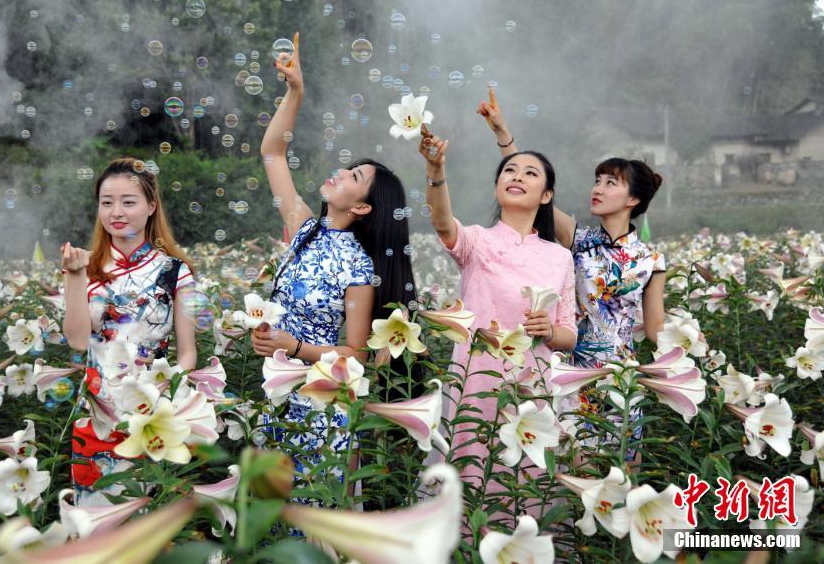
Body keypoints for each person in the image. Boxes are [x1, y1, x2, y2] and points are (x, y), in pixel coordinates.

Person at [254, 33, 417, 500]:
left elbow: (358, 354)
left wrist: (295, 346)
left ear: (365, 209)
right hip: (278, 396)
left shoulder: (361, 267)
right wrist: (295, 93)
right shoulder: (303, 227)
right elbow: (272, 152)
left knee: (311, 524)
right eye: (348, 167)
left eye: (355, 177)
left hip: (323, 407)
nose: (341, 172)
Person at [477, 88, 666, 459]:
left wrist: (692, 359)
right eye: (597, 180)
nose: (598, 188)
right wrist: (503, 135)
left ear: (633, 200)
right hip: (570, 373)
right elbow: (532, 182)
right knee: (571, 470)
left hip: (621, 380)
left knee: (623, 469)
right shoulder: (579, 239)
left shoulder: (651, 259)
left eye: (611, 183)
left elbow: (657, 330)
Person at [417, 124, 577, 493]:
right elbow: (442, 222)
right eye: (509, 170)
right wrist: (436, 170)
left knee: (526, 489)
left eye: (530, 173)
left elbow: (569, 334)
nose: (517, 176)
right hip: (476, 382)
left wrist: (550, 332)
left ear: (546, 195)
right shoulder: (477, 241)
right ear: (497, 187)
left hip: (533, 389)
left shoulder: (560, 258)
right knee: (470, 482)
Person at [61, 157, 197, 504]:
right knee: (95, 528)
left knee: (144, 525)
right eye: (107, 202)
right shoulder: (86, 267)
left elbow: (187, 353)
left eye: (128, 201)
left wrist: (169, 397)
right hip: (97, 415)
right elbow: (78, 341)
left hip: (151, 415)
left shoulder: (175, 271)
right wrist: (74, 277)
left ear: (152, 206)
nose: (116, 211)